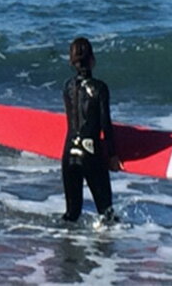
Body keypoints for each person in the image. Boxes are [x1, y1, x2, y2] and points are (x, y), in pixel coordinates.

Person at [61, 37, 122, 225]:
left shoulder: (67, 87)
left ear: (71, 61)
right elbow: (105, 125)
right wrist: (112, 155)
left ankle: (64, 248)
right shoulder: (100, 88)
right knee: (107, 214)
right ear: (92, 59)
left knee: (72, 215)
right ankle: (107, 252)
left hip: (69, 153)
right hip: (91, 154)